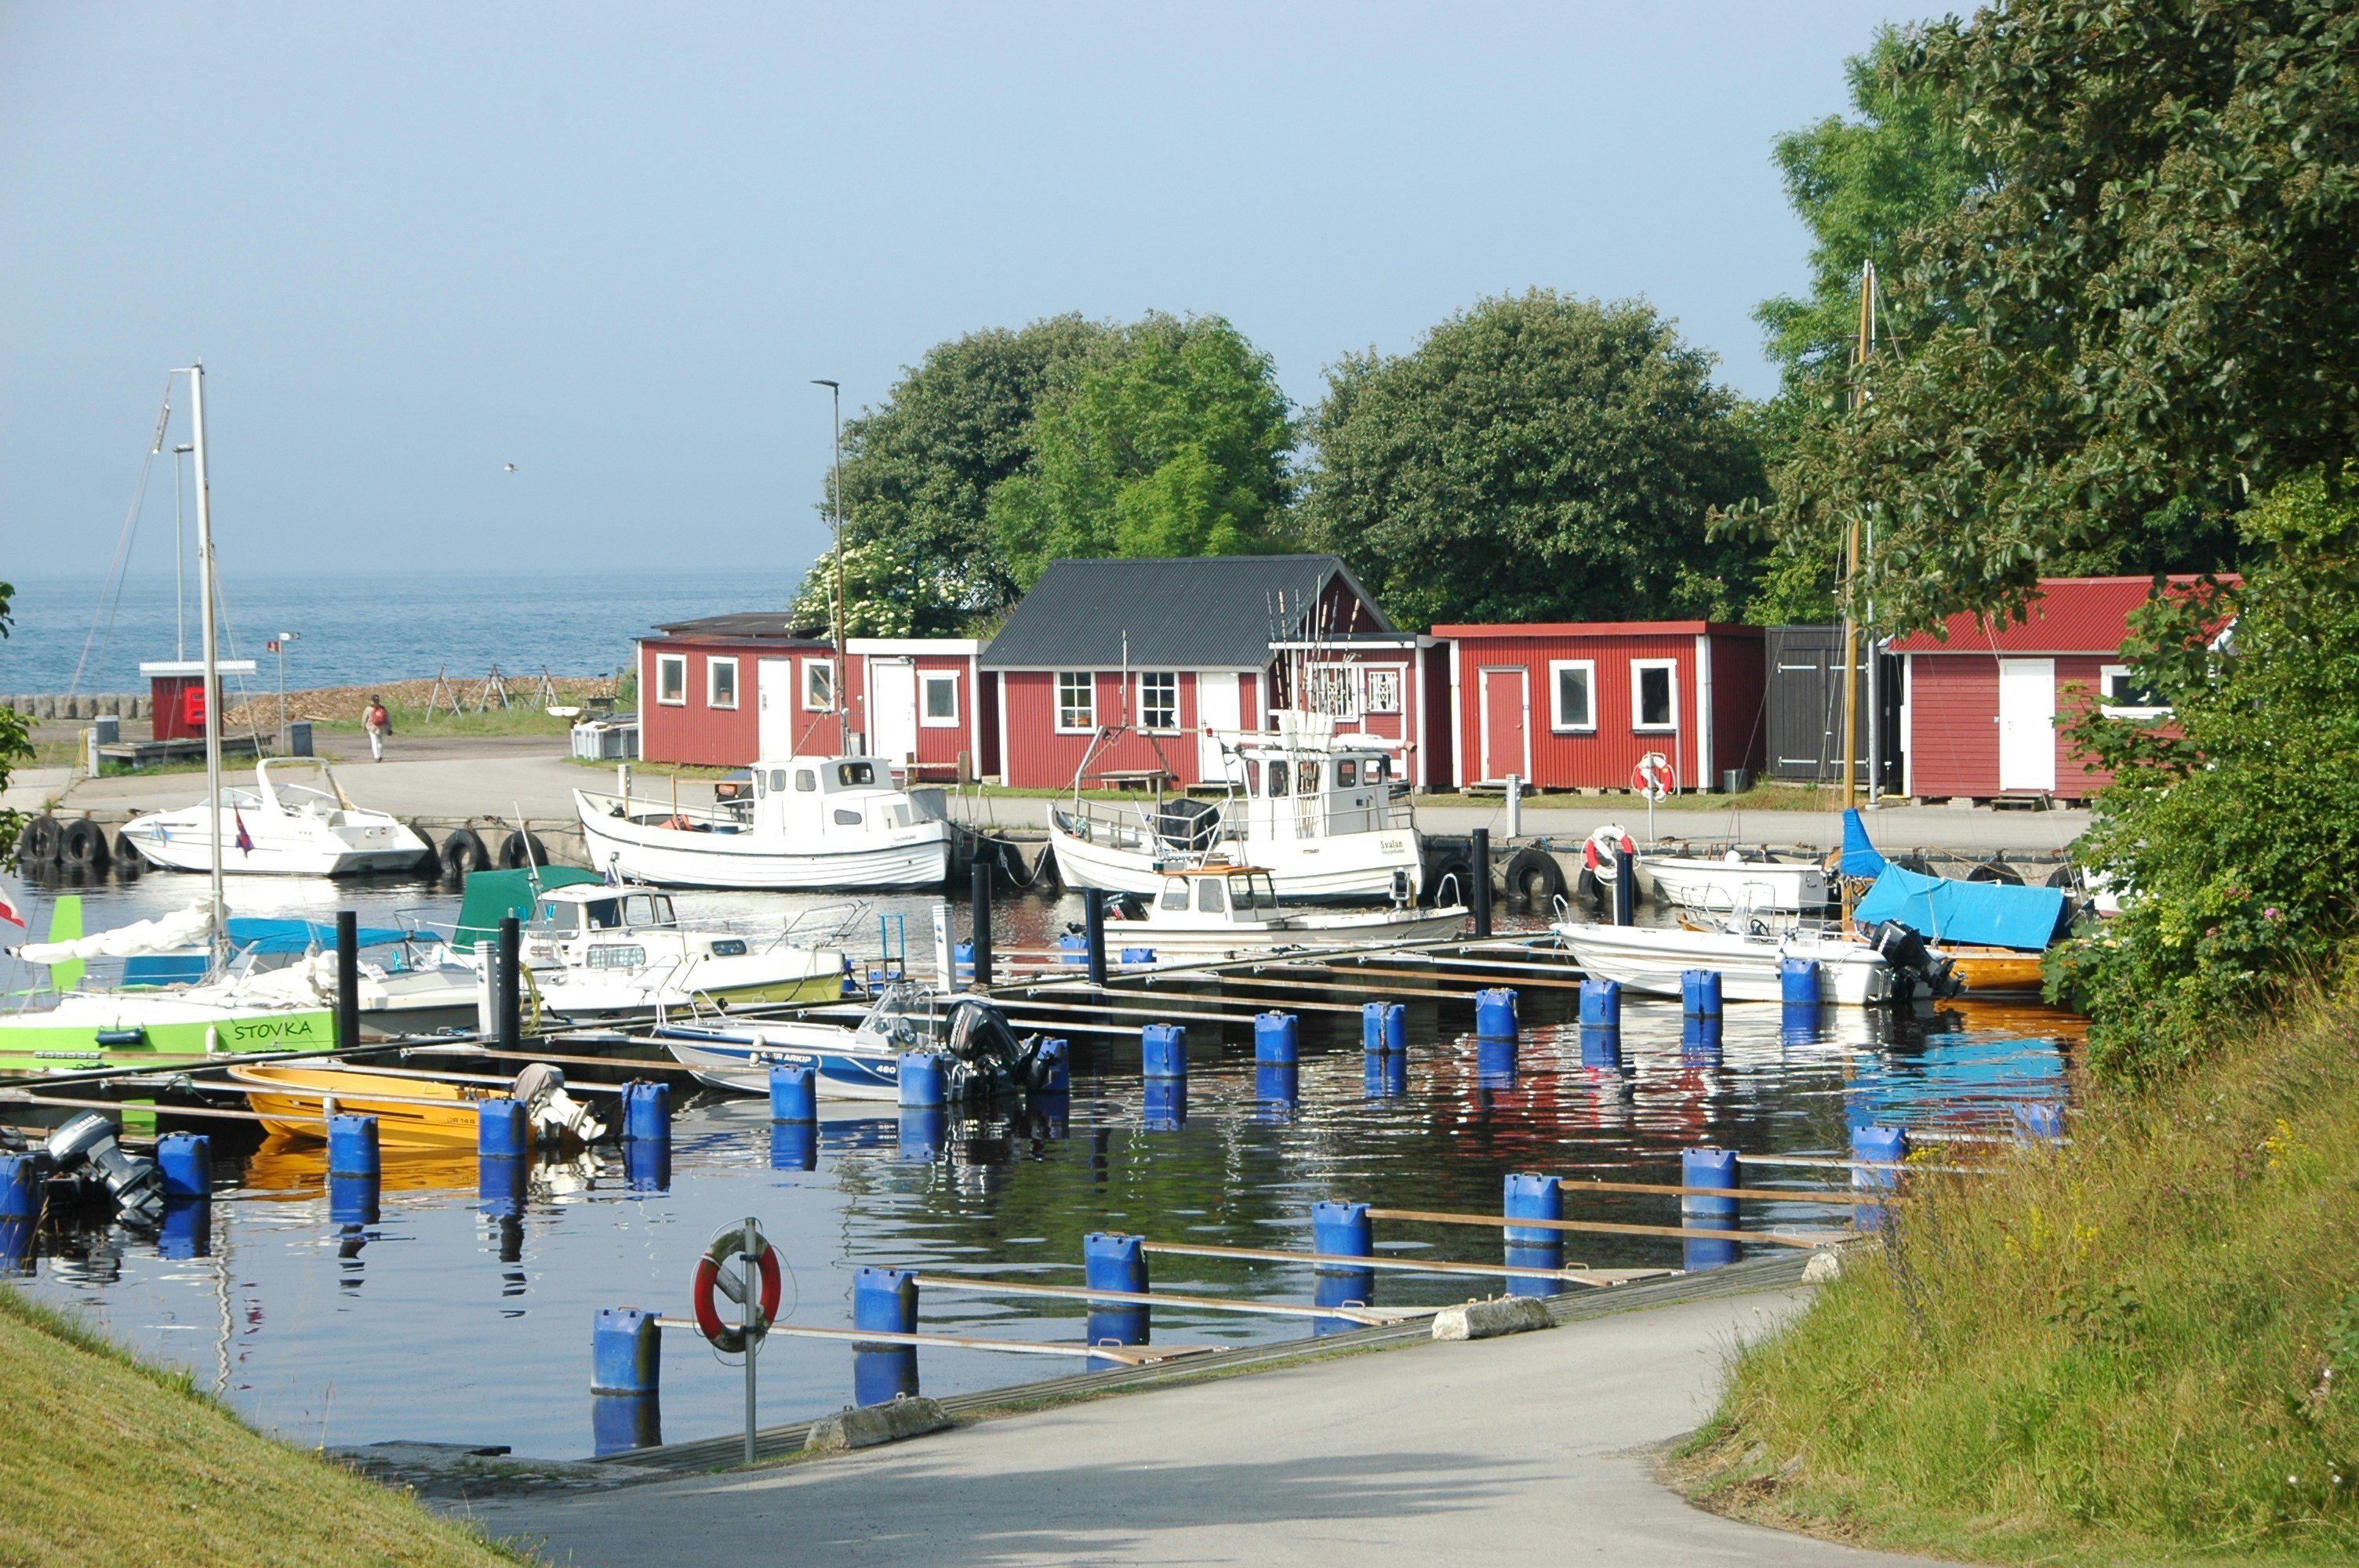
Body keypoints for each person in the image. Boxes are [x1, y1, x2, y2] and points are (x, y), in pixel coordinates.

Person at [363, 695, 390, 761]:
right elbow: (388, 718)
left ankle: (376, 756)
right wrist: (389, 727)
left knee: (374, 742)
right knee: (380, 742)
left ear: (372, 700)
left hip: (372, 727)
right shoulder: (383, 708)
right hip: (382, 727)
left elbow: (364, 719)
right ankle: (380, 755)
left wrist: (363, 726)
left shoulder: (368, 708)